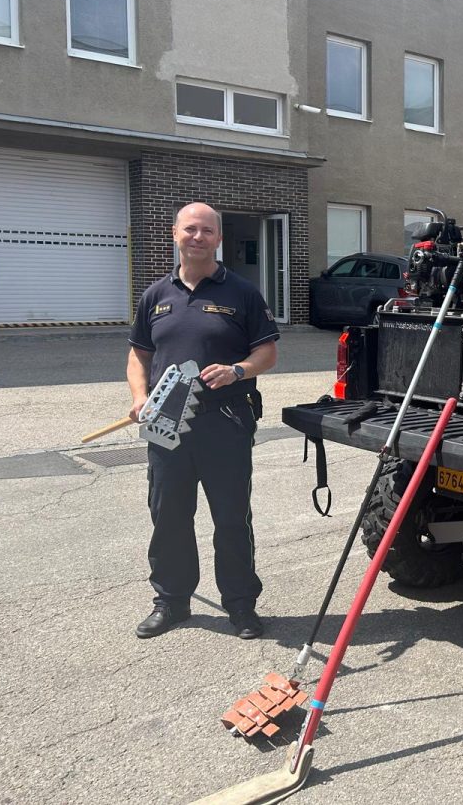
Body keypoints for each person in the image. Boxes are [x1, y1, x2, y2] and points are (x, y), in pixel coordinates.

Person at [126, 201, 280, 640]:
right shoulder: (155, 296)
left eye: (207, 230)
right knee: (169, 517)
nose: (198, 237)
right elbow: (139, 355)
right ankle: (171, 602)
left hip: (225, 423)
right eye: (190, 229)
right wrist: (139, 397)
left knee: (231, 519)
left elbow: (267, 352)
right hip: (166, 426)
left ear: (219, 239)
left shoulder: (242, 293)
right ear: (175, 234)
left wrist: (238, 370)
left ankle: (241, 605)